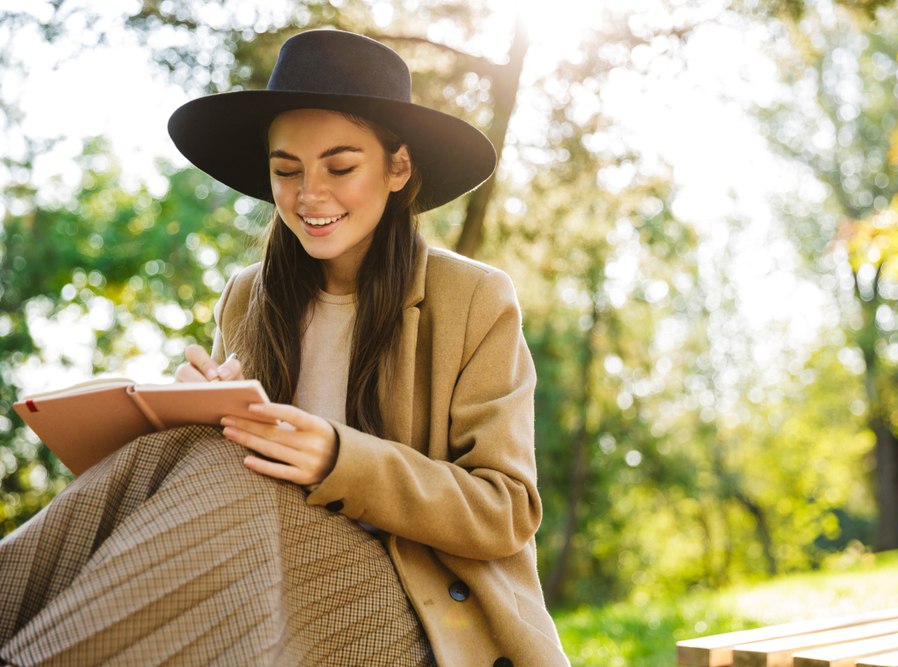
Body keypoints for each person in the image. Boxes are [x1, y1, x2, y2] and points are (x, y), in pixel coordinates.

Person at [0, 28, 568, 667]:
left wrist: (337, 459)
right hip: (261, 579)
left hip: (414, 605)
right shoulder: (248, 296)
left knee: (224, 468)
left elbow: (506, 512)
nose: (308, 195)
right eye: (286, 170)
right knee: (176, 450)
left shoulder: (474, 297)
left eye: (340, 167)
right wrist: (202, 415)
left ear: (398, 168)